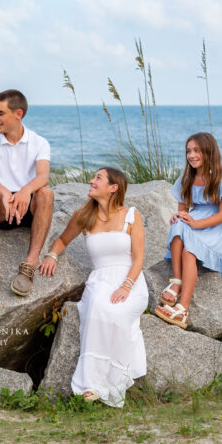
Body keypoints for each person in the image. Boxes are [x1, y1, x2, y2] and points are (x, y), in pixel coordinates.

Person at [38, 167, 147, 407]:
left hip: (130, 280)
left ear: (113, 187)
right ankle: (92, 385)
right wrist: (51, 256)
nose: (91, 181)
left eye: (98, 178)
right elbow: (62, 240)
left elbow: (139, 258)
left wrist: (126, 286)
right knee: (98, 307)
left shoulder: (131, 215)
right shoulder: (83, 216)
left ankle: (114, 381)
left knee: (117, 313)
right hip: (100, 280)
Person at [155, 132, 222, 329]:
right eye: (188, 151)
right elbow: (183, 209)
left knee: (189, 249)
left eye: (196, 151)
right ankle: (176, 280)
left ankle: (183, 309)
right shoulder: (187, 177)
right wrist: (180, 217)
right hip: (196, 217)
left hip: (215, 224)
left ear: (208, 151)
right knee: (176, 224)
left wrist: (194, 224)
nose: (191, 155)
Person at [0, 89, 54, 296]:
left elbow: (43, 176)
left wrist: (25, 191)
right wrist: (4, 193)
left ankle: (29, 266)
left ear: (18, 114)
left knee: (46, 193)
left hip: (29, 210)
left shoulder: (39, 142)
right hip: (2, 210)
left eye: (0, 113)